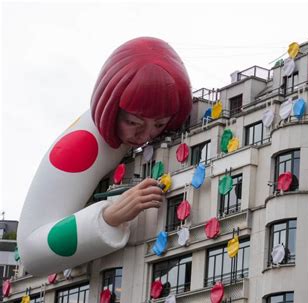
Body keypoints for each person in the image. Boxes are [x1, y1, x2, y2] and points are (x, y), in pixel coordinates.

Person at [17, 37, 192, 276]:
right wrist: (109, 216)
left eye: (159, 124)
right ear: (111, 108)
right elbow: (31, 252)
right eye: (133, 122)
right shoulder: (81, 145)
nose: (146, 135)